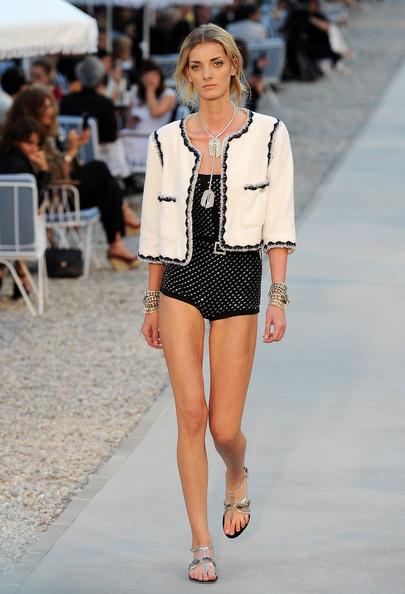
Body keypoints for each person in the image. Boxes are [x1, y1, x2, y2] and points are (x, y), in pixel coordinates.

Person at [138, 23, 296, 583]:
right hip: (180, 277)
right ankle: (200, 542)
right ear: (187, 74)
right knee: (190, 415)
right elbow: (156, 227)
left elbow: (278, 221)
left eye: (215, 63)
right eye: (195, 66)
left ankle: (237, 474)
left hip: (235, 278)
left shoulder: (269, 135)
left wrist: (277, 295)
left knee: (224, 426)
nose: (205, 75)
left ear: (233, 66)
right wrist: (152, 301)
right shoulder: (165, 142)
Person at [4, 86, 140, 270]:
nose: (52, 110)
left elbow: (60, 166)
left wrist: (72, 148)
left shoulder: (45, 133)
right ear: (31, 109)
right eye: (46, 107)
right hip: (53, 197)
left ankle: (116, 243)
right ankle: (120, 223)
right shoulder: (27, 137)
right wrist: (72, 151)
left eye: (50, 105)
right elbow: (52, 173)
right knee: (100, 170)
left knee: (105, 186)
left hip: (62, 192)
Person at [0, 117, 51, 298]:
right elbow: (34, 204)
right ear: (16, 141)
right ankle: (21, 273)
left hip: (3, 234)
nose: (35, 148)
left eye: (37, 144)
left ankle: (6, 269)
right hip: (23, 239)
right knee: (22, 218)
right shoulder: (22, 168)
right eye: (29, 143)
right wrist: (44, 171)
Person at [124, 59, 176, 168]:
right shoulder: (137, 93)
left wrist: (150, 89)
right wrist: (133, 120)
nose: (152, 80)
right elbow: (128, 123)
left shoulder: (168, 95)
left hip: (153, 138)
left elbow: (155, 112)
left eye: (155, 76)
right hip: (135, 134)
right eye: (148, 77)